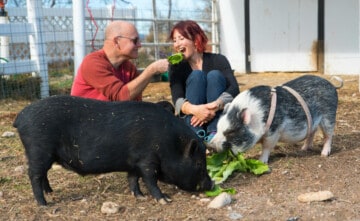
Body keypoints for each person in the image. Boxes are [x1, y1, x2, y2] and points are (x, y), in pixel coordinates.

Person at [168, 20, 240, 142]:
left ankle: (214, 133)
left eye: (181, 38)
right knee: (196, 76)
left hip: (218, 115)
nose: (177, 44)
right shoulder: (176, 67)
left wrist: (214, 106)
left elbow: (234, 88)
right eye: (174, 40)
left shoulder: (219, 60)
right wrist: (196, 110)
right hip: (193, 119)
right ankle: (196, 135)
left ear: (195, 40)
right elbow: (177, 99)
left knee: (214, 75)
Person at [71, 20, 169, 101]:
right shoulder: (92, 63)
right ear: (117, 41)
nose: (140, 45)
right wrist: (151, 70)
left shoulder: (129, 68)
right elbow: (120, 97)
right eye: (135, 41)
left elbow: (135, 103)